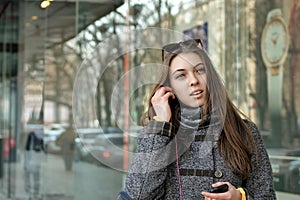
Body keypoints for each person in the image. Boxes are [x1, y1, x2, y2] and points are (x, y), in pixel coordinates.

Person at [118, 39, 276, 199]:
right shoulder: (159, 134)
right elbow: (139, 195)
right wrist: (161, 125)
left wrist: (240, 197)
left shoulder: (243, 131)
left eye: (199, 70)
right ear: (169, 87)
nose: (193, 81)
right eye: (181, 75)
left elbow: (267, 196)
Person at [24, 126, 45, 200]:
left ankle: (35, 193)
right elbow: (26, 148)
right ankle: (29, 193)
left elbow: (42, 149)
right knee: (29, 176)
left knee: (36, 177)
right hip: (30, 157)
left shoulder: (39, 136)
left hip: (35, 158)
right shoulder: (31, 135)